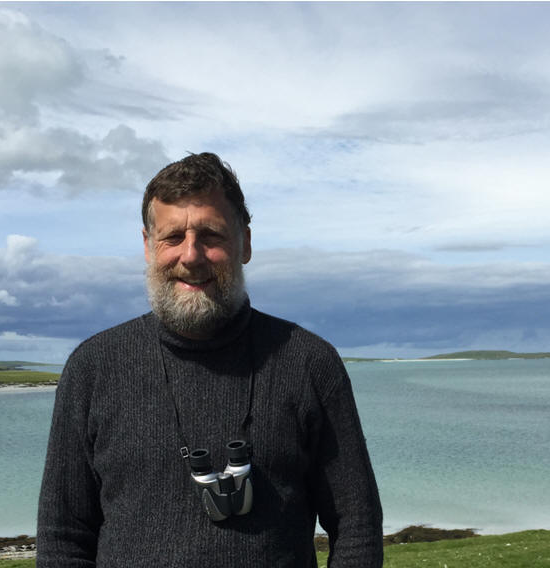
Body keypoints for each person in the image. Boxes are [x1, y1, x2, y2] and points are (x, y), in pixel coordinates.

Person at [36, 153, 383, 567]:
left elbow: (357, 526)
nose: (191, 255)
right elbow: (63, 538)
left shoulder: (309, 363)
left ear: (245, 243)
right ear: (147, 246)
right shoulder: (93, 368)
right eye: (172, 237)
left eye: (211, 235)